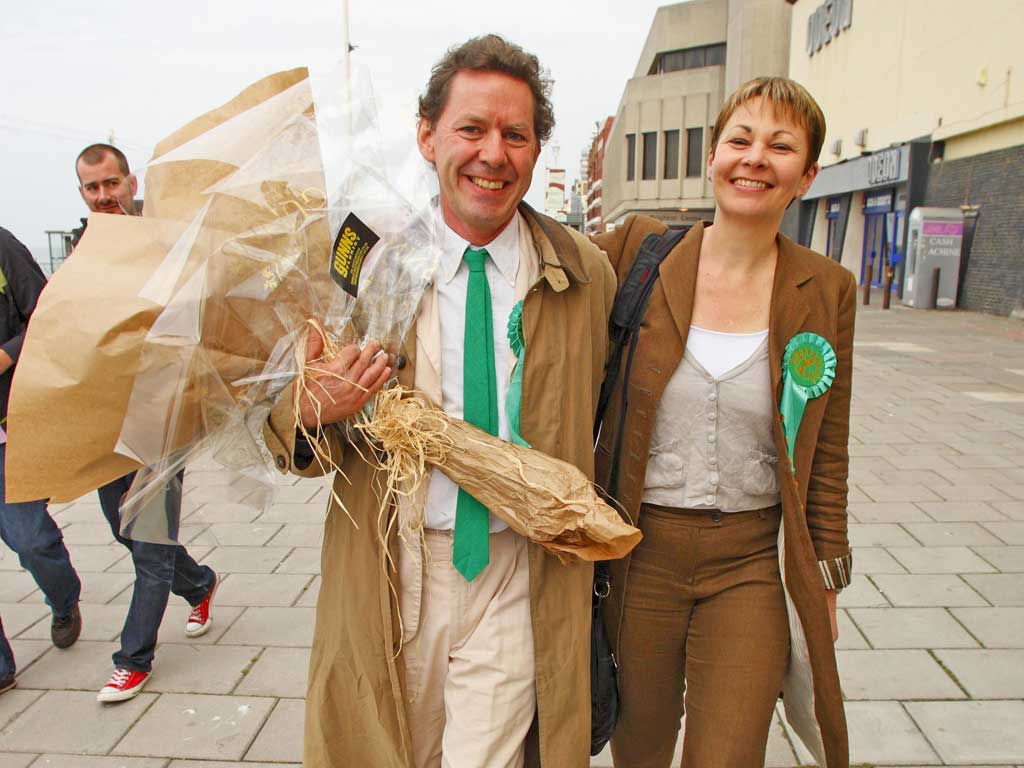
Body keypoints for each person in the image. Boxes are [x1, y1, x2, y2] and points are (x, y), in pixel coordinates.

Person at [262, 35, 615, 768]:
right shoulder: (365, 258)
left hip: (522, 568)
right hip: (398, 565)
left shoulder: (583, 273)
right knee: (396, 749)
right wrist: (310, 407)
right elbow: (284, 427)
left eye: (515, 134)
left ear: (536, 148)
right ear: (428, 137)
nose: (494, 153)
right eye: (472, 129)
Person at [593, 77, 854, 768]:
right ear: (712, 156)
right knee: (639, 750)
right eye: (739, 139)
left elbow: (827, 451)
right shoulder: (638, 253)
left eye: (780, 146)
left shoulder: (826, 288)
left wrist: (825, 577)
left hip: (750, 563)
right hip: (638, 553)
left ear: (808, 174)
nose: (755, 158)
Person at [75, 144, 218, 703]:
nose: (105, 196)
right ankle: (201, 583)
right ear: (82, 194)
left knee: (150, 542)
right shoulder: (85, 252)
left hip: (162, 418)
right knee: (122, 530)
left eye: (112, 183)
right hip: (106, 421)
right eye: (93, 188)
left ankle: (132, 660)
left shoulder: (167, 242)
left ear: (130, 182)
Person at [0, 226, 83, 696]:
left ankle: (64, 598)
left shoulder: (4, 247)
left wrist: (7, 355)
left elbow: (47, 315)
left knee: (30, 539)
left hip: (9, 431)